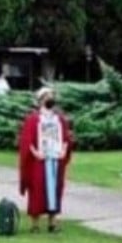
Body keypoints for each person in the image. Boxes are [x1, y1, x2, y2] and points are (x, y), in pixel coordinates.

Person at [18, 88, 74, 232]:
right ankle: (35, 224)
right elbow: (26, 140)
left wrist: (63, 150)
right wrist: (36, 153)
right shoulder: (33, 119)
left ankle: (52, 222)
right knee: (37, 189)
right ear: (41, 100)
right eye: (48, 97)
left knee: (55, 189)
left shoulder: (59, 119)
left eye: (52, 96)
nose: (51, 99)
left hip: (56, 159)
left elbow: (66, 138)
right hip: (39, 161)